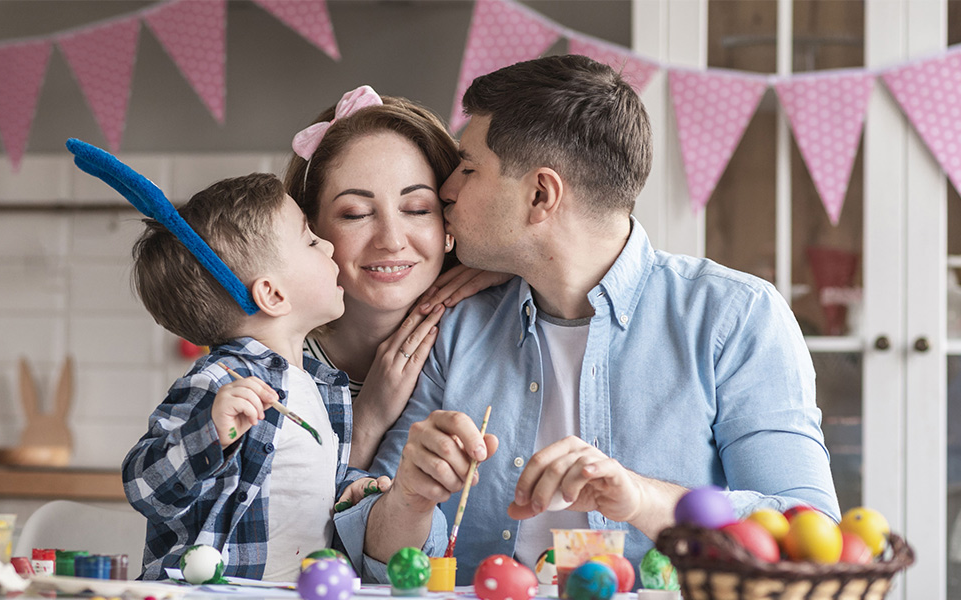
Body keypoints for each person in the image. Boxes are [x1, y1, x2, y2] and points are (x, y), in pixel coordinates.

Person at [333, 54, 840, 586]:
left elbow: (809, 533)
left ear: (540, 195)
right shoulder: (456, 323)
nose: (446, 190)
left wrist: (642, 498)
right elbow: (373, 554)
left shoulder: (734, 317)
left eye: (468, 167)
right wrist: (409, 501)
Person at [122, 173, 362, 581]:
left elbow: (297, 484)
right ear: (273, 295)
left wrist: (352, 490)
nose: (329, 244)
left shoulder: (321, 387)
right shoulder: (221, 381)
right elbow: (143, 485)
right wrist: (209, 435)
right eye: (309, 239)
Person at [282, 86, 507, 470]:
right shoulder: (274, 365)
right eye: (355, 214)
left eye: (417, 209)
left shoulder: (490, 330)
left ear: (449, 217)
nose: (391, 240)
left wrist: (506, 263)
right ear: (310, 228)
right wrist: (368, 419)